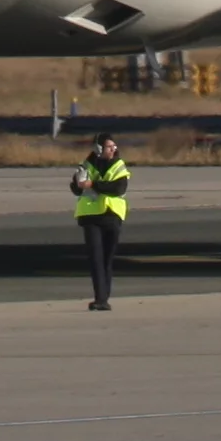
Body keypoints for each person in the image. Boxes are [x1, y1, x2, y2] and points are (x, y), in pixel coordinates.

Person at [70, 132, 130, 309]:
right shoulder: (86, 165)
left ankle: (104, 296)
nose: (113, 149)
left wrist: (93, 185)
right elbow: (76, 189)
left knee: (107, 259)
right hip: (91, 217)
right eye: (109, 146)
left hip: (112, 216)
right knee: (96, 259)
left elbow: (118, 188)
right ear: (99, 149)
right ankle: (101, 300)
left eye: (114, 146)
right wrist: (77, 183)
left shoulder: (119, 166)